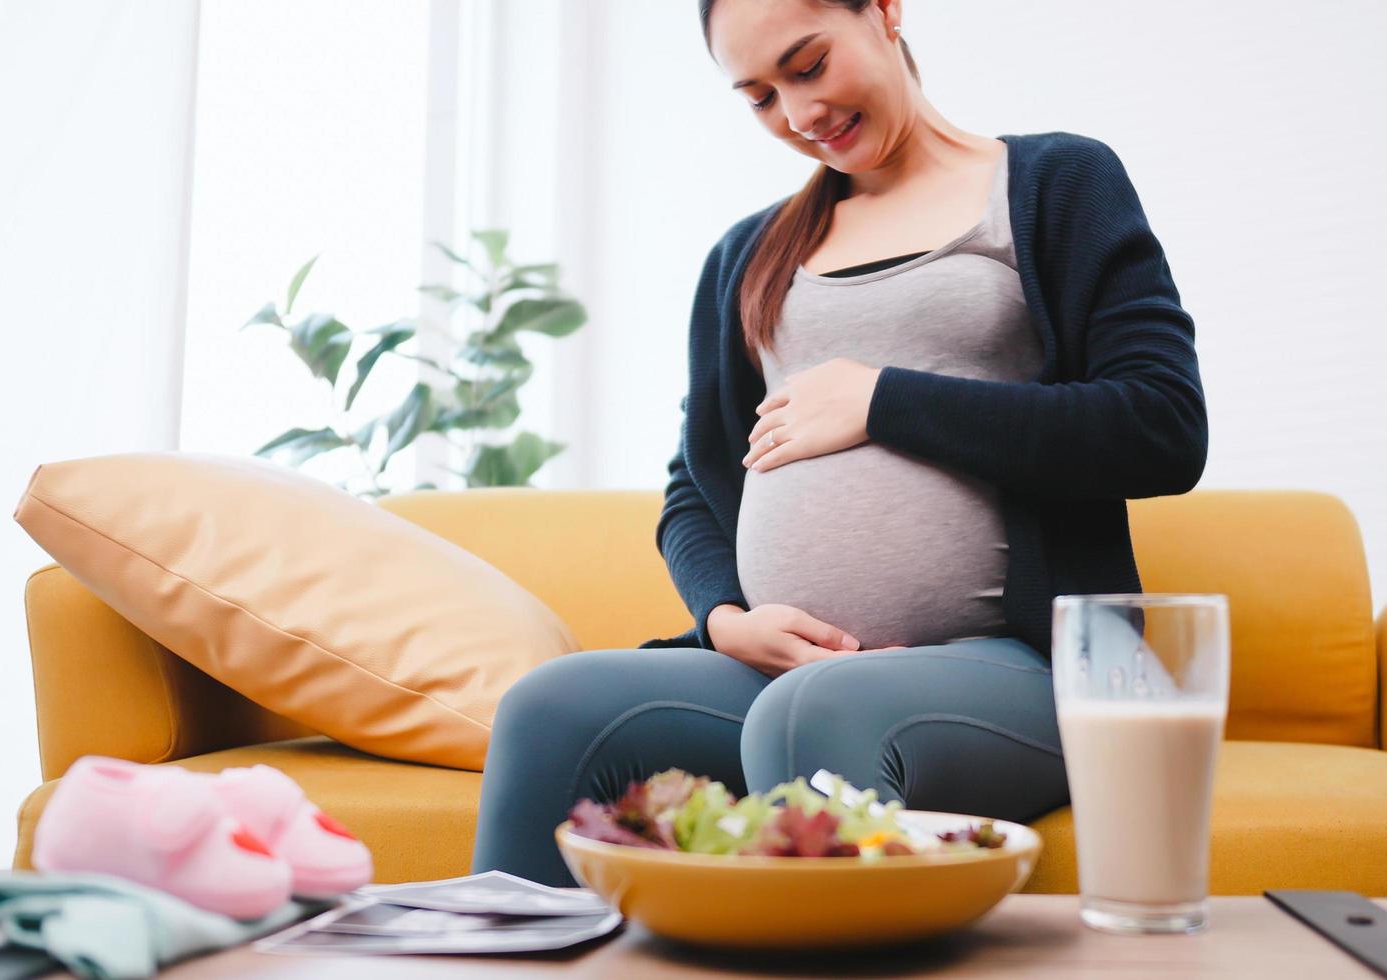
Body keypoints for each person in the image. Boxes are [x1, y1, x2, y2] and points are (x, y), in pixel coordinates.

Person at [469, 0, 1207, 887]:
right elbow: (695, 490)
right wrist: (726, 621)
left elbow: (1161, 423)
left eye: (809, 65)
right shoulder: (750, 254)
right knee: (550, 707)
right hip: (788, 677)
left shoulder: (1055, 183)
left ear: (886, 11)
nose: (797, 115)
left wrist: (885, 400)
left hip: (1022, 666)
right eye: (760, 97)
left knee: (817, 711)